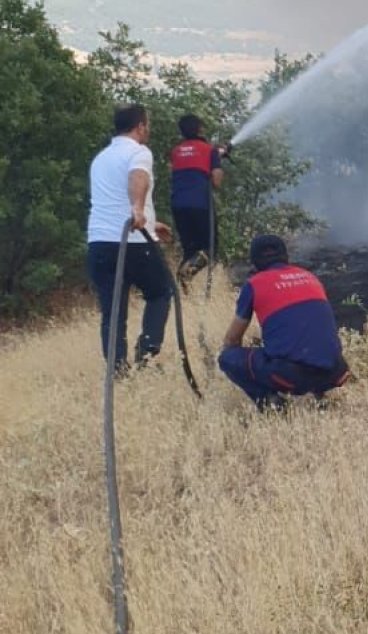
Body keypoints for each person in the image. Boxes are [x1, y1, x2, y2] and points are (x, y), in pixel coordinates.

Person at [87, 103, 174, 370]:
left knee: (113, 312)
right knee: (161, 291)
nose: (147, 129)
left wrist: (149, 221)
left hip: (99, 243)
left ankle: (117, 371)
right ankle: (145, 354)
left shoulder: (101, 158)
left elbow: (111, 199)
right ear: (140, 126)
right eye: (147, 124)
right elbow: (137, 178)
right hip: (132, 242)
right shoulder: (139, 152)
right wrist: (137, 209)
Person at [218, 235, 350, 409]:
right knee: (311, 347)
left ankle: (271, 404)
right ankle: (320, 398)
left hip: (290, 377)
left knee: (228, 357)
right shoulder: (310, 277)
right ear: (286, 256)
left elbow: (232, 340)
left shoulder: (254, 284)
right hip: (337, 371)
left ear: (254, 261)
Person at [170, 114, 224, 282]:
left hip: (178, 205)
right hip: (201, 205)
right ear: (200, 129)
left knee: (189, 250)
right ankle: (186, 274)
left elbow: (186, 167)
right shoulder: (210, 150)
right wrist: (217, 160)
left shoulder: (176, 151)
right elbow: (216, 181)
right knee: (210, 249)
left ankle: (181, 289)